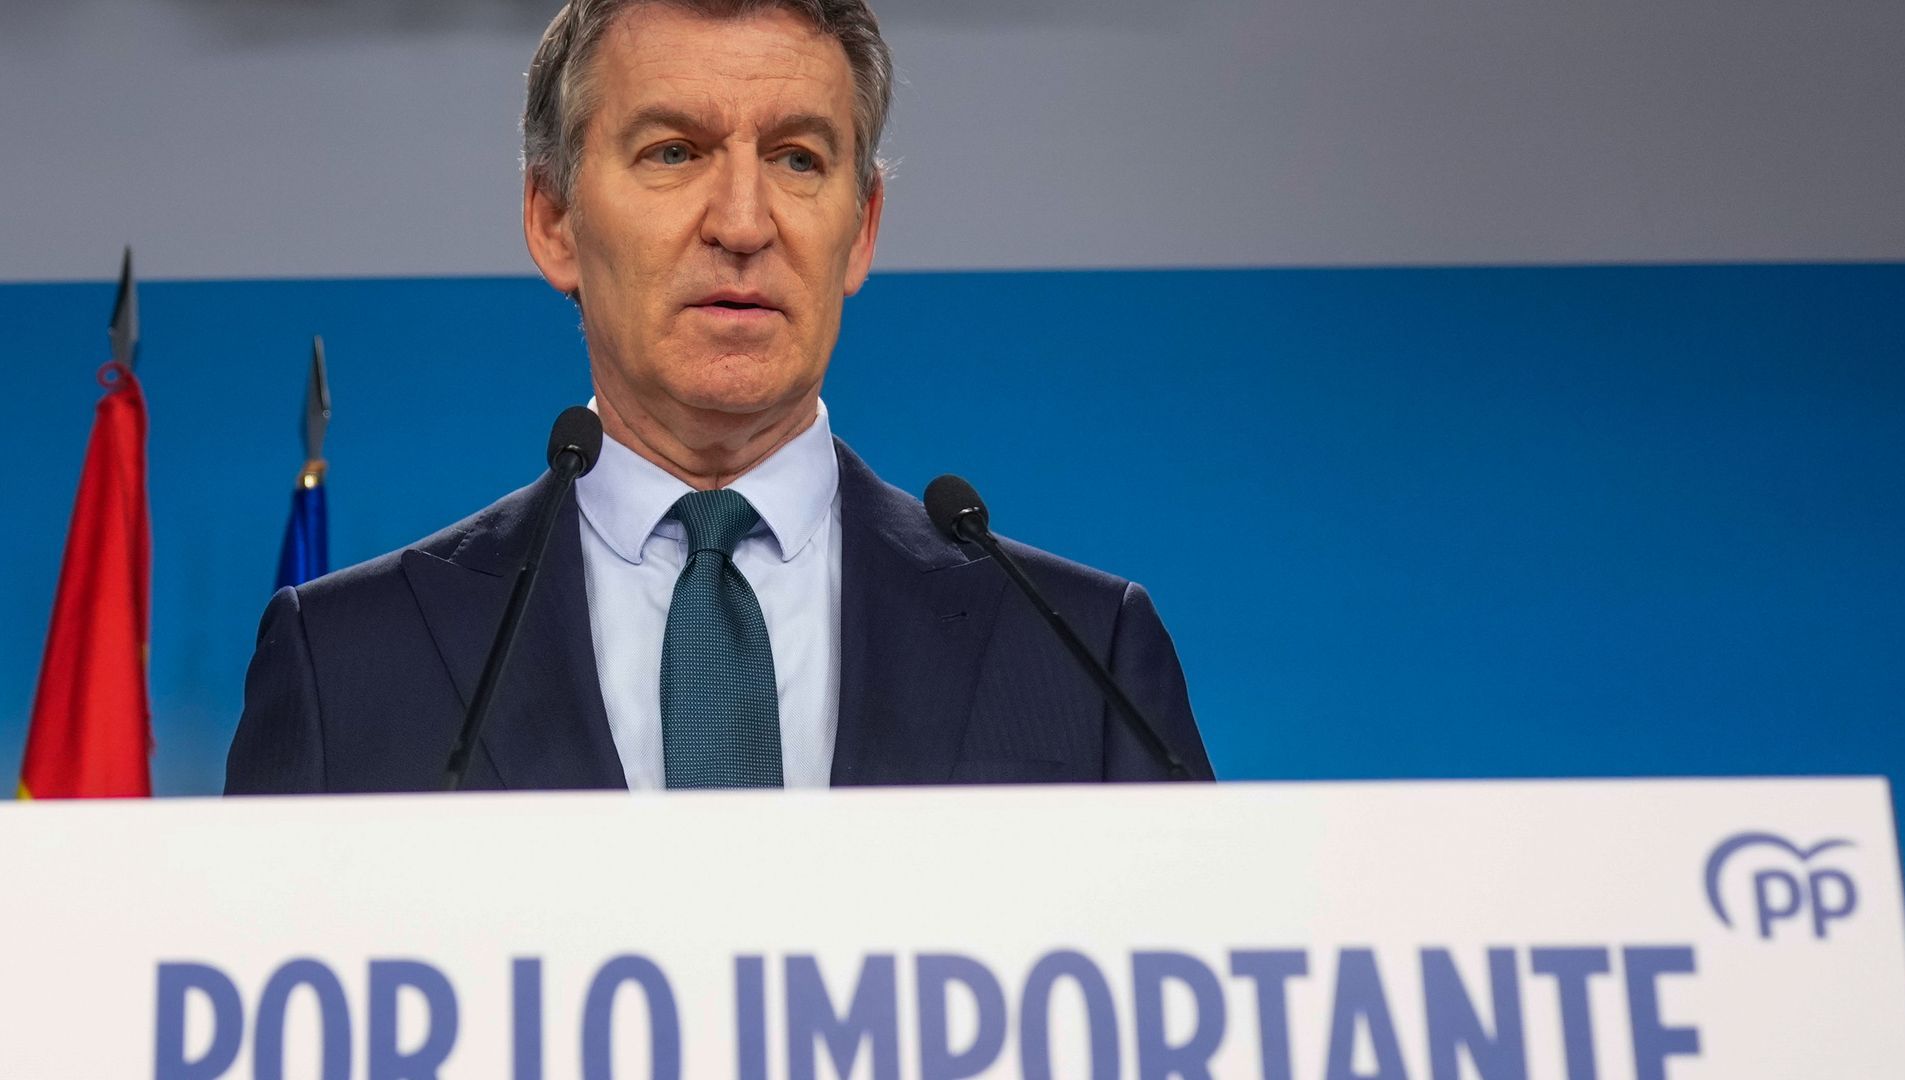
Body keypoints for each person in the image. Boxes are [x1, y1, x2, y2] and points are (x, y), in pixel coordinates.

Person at [226, 0, 1212, 793]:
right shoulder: (347, 663)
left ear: (863, 228)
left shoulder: (1085, 655)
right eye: (675, 151)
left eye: (797, 159)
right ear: (554, 218)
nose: (743, 223)